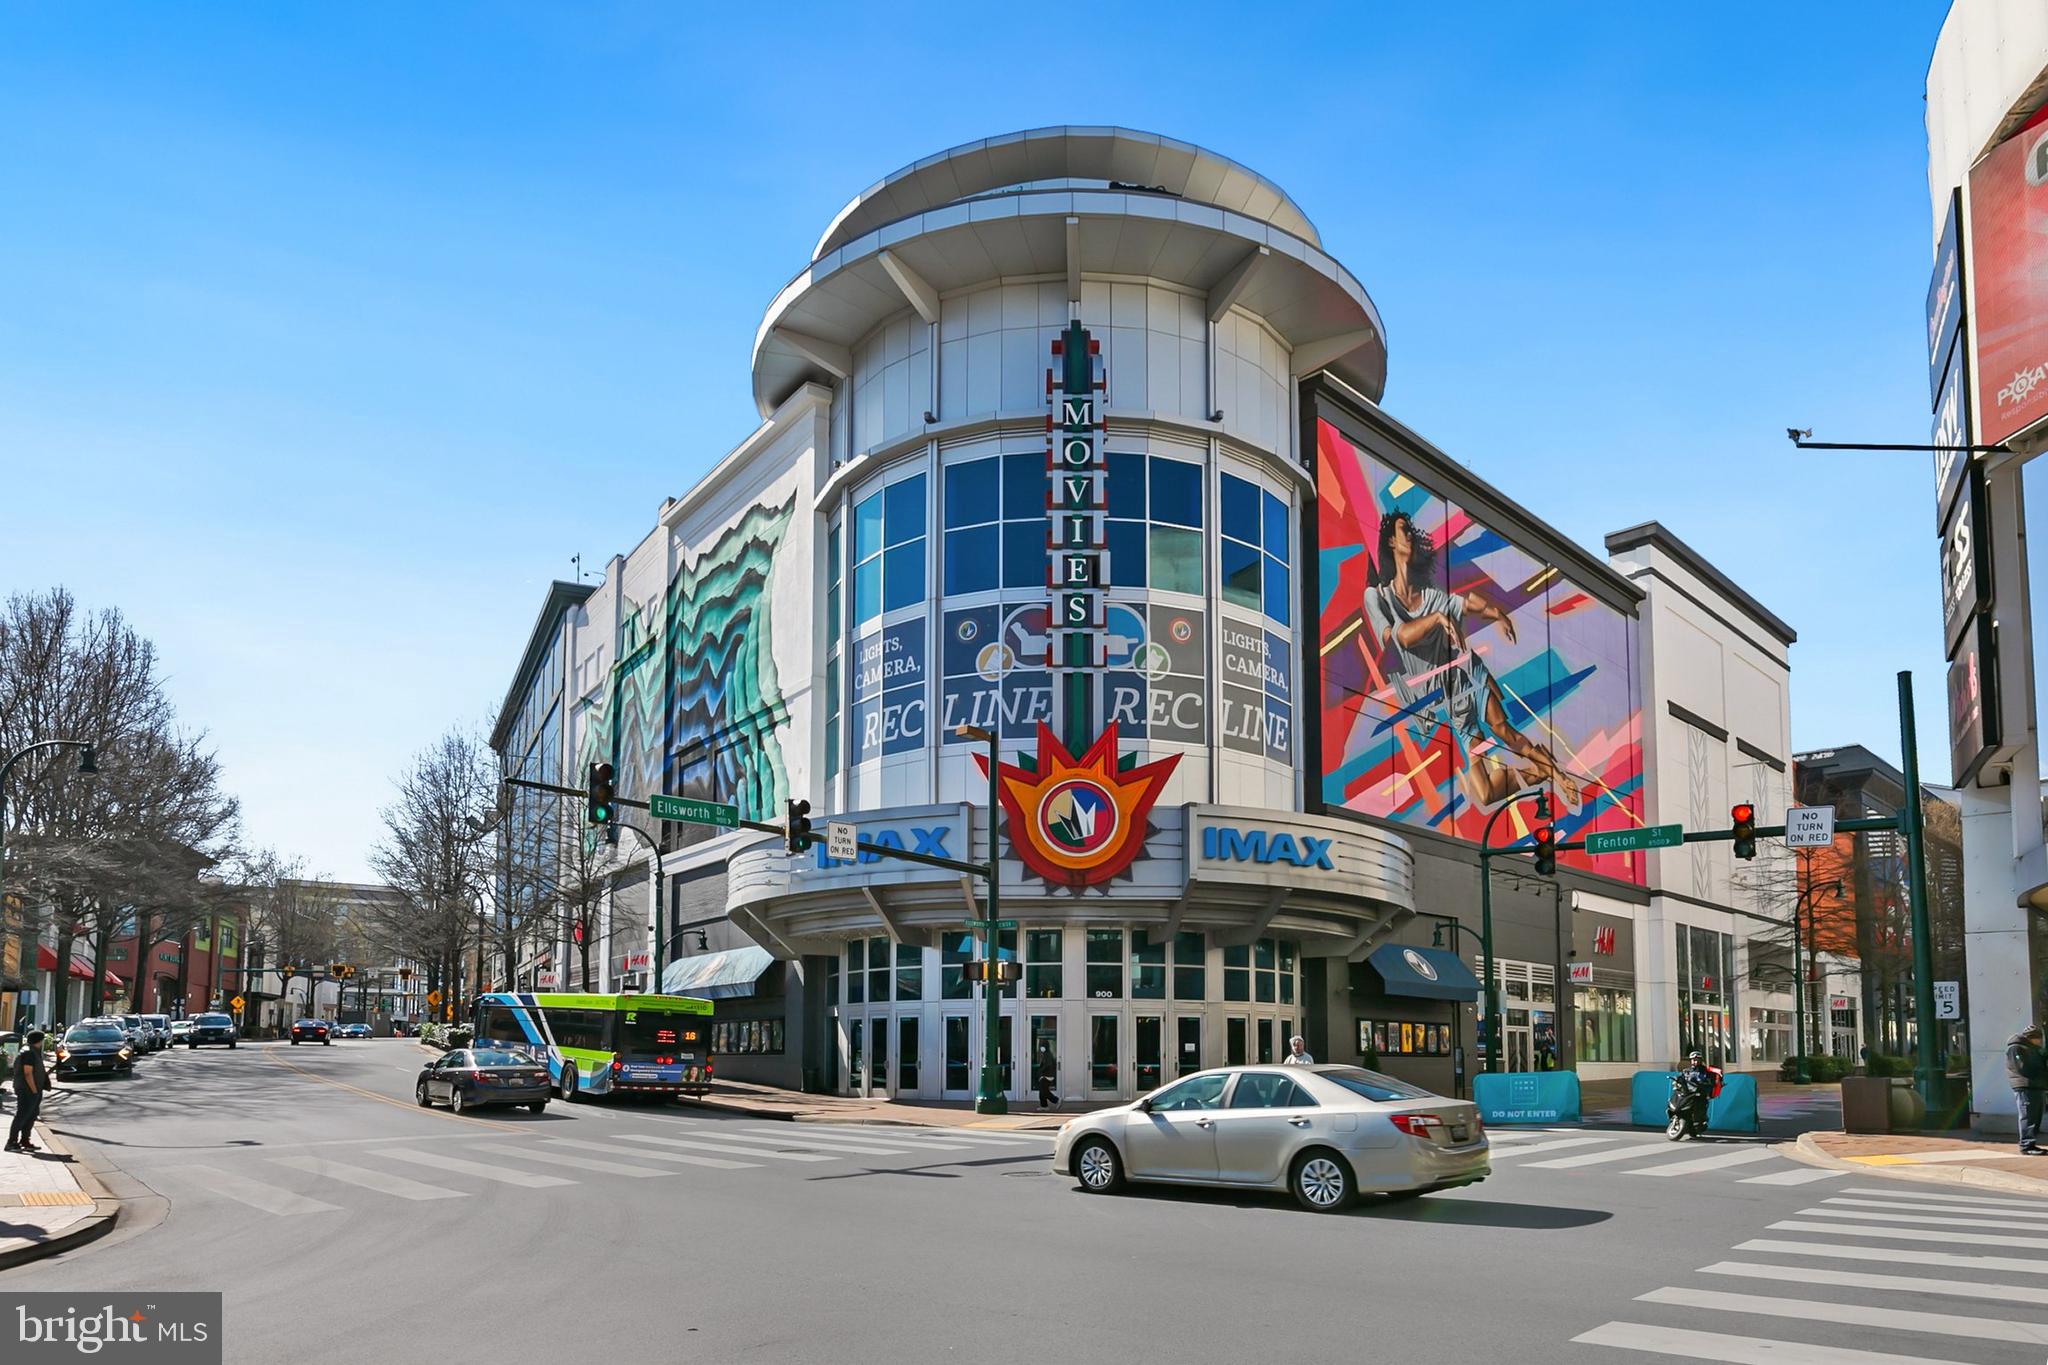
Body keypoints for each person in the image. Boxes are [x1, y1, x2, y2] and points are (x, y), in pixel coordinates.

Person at [1360, 511, 1582, 812]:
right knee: (1486, 793)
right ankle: (1541, 770)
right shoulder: (1378, 598)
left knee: (1504, 731)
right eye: (1403, 531)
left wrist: (1498, 614)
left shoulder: (1431, 595)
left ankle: (1556, 773)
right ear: (1390, 541)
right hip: (1445, 699)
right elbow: (1400, 638)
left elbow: (1468, 603)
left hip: (1466, 676)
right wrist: (1438, 619)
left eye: (1411, 531)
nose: (1410, 535)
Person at [2006, 1025, 2047, 1154]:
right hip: (2025, 1085)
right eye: (2038, 1038)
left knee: (2035, 1116)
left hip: (2035, 1085)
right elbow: (2023, 1067)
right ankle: (2026, 1145)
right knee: (2028, 1115)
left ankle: (2031, 1144)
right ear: (2031, 1038)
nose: (2040, 1041)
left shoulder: (2034, 1049)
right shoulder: (2016, 1048)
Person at [7, 1031, 49, 1154]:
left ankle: (25, 1140)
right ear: (38, 1041)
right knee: (22, 1115)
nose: (43, 1043)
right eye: (42, 1040)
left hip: (31, 1089)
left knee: (31, 1114)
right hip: (27, 1090)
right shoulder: (29, 1053)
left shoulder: (30, 1051)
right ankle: (11, 1142)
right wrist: (34, 1090)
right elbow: (27, 1073)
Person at [1033, 1044, 1057, 1112]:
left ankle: (1056, 1100)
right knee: (1042, 1091)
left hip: (1046, 1076)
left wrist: (1041, 1072)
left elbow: (1047, 1065)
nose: (1041, 1048)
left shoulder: (1047, 1055)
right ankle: (1044, 1106)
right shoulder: (1046, 1055)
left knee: (1044, 1091)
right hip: (1045, 1076)